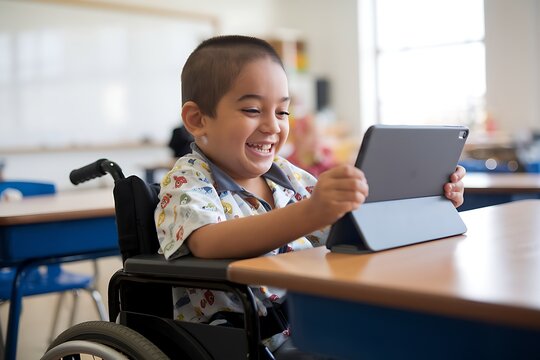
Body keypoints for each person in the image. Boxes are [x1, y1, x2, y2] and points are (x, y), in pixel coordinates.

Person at [155, 35, 466, 355]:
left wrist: (428, 197)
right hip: (252, 343)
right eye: (252, 109)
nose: (272, 126)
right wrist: (312, 211)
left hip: (314, 322)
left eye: (282, 112)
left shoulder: (286, 176)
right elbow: (208, 241)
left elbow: (348, 222)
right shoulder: (187, 179)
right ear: (197, 119)